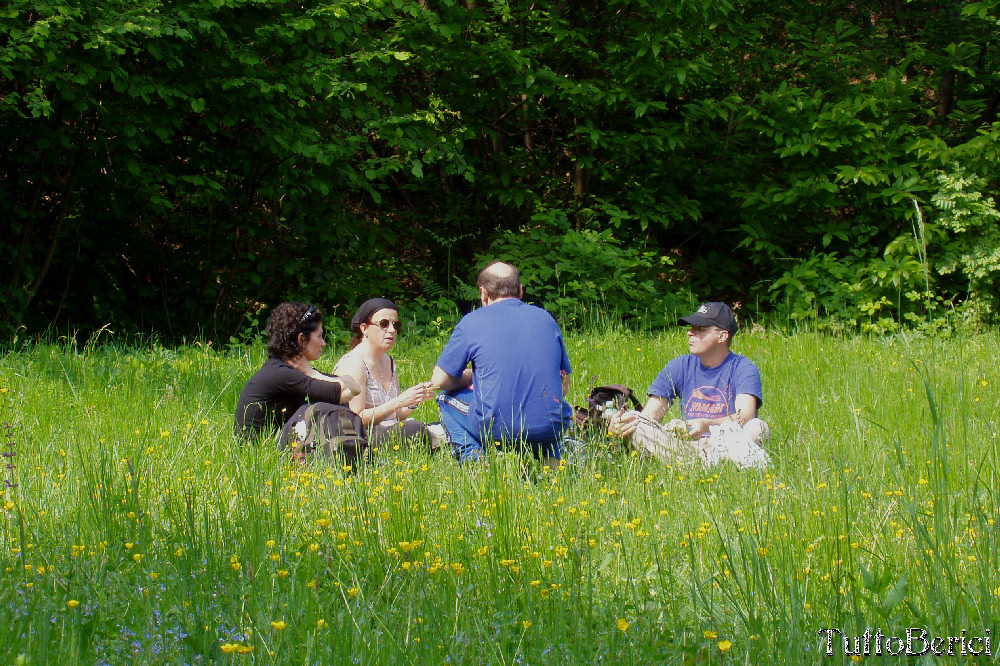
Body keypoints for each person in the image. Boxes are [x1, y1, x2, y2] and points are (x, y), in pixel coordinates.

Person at [431, 262, 572, 467]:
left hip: (500, 430)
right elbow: (563, 386)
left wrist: (473, 376)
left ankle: (474, 461)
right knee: (544, 409)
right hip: (552, 426)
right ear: (521, 291)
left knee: (445, 399)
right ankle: (550, 459)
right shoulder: (546, 319)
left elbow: (439, 380)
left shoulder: (472, 322)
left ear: (483, 293)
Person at [608, 302, 770, 466]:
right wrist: (620, 425)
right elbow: (650, 416)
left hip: (724, 444)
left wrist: (706, 425)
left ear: (722, 336)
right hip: (683, 446)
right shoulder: (679, 366)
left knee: (758, 427)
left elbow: (745, 417)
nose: (690, 333)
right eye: (691, 327)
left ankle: (704, 464)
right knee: (633, 420)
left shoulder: (743, 367)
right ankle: (697, 465)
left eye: (700, 329)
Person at [234, 302, 360, 439]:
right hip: (259, 452)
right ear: (301, 339)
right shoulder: (282, 374)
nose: (323, 343)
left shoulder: (288, 369)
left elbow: (355, 387)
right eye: (319, 336)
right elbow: (345, 394)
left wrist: (312, 373)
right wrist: (312, 373)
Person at [333, 298, 435, 447]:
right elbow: (356, 419)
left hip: (389, 431)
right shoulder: (354, 364)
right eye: (384, 324)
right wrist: (398, 402)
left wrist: (415, 399)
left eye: (396, 325)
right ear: (364, 328)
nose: (392, 330)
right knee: (416, 429)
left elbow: (396, 415)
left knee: (439, 425)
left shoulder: (389, 361)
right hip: (363, 437)